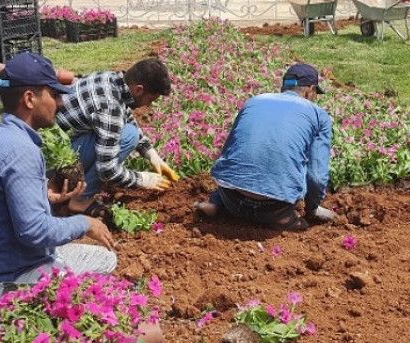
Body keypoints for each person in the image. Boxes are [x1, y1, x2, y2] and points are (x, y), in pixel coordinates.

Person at [0, 51, 117, 306]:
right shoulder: (22, 151)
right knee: (105, 261)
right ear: (29, 99)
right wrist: (85, 223)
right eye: (54, 94)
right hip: (8, 285)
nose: (60, 103)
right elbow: (34, 232)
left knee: (88, 259)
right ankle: (20, 313)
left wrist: (43, 196)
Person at [195, 63, 334, 231]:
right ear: (310, 90)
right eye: (315, 94)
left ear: (284, 86)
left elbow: (228, 150)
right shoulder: (318, 115)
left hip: (231, 199)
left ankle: (216, 203)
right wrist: (312, 209)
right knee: (301, 164)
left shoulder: (254, 101)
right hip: (274, 208)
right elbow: (317, 177)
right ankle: (284, 219)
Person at [55, 57, 177, 214]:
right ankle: (80, 201)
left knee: (127, 132)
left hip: (58, 147)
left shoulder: (111, 79)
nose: (149, 105)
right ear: (139, 90)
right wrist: (142, 179)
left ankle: (77, 187)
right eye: (151, 99)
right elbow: (107, 170)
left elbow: (125, 115)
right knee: (128, 136)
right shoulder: (110, 107)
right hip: (52, 165)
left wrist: (151, 154)